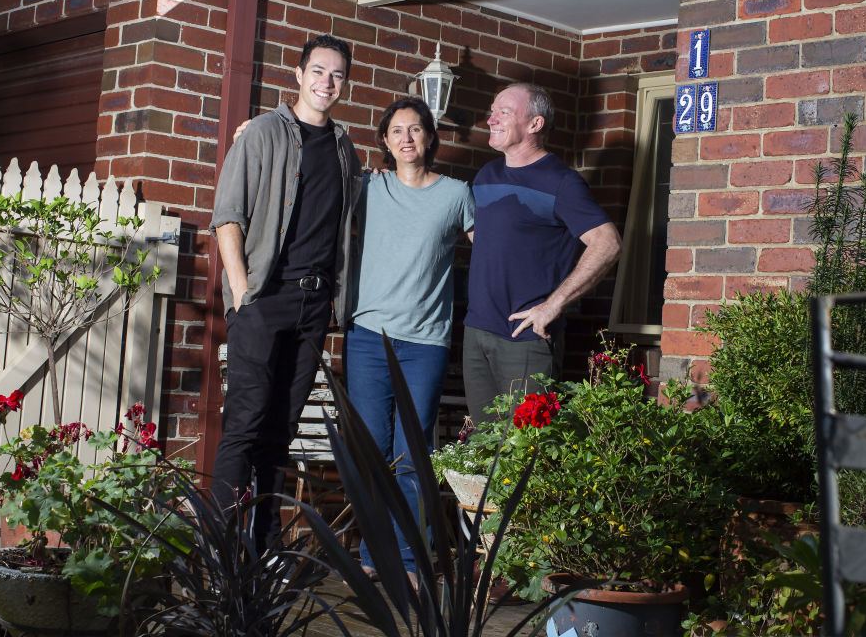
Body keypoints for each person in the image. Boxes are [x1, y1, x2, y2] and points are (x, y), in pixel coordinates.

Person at [209, 34, 362, 552]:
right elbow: (227, 216)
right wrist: (243, 294)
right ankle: (222, 550)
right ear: (298, 75)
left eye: (337, 74)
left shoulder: (345, 148)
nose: (327, 82)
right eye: (318, 71)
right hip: (263, 300)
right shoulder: (262, 134)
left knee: (281, 431)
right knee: (245, 424)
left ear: (345, 83)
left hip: (314, 305)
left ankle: (263, 545)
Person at [345, 97, 474, 580]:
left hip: (425, 343)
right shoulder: (367, 189)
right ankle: (373, 554)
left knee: (412, 452)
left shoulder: (456, 195)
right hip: (366, 338)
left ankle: (407, 556)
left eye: (415, 130)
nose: (406, 138)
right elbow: (310, 186)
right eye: (396, 130)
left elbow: (493, 252)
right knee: (371, 449)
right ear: (384, 140)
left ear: (430, 138)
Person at [463, 82, 622, 423]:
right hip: (477, 331)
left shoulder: (561, 182)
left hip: (524, 338)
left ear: (535, 124)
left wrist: (553, 305)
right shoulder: (486, 175)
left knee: (525, 453)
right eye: (493, 111)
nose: (491, 119)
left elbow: (607, 243)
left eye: (504, 113)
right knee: (480, 448)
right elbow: (490, 239)